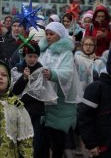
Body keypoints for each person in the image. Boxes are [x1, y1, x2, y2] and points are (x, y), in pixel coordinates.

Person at [38, 22, 79, 158]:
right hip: (44, 100)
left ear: (59, 35)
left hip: (60, 101)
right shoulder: (43, 50)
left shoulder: (66, 53)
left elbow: (67, 73)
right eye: (47, 34)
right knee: (43, 139)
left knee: (58, 139)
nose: (48, 37)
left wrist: (52, 74)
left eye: (52, 34)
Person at [11, 41, 56, 158]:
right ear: (25, 56)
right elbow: (15, 91)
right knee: (20, 137)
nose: (32, 59)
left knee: (35, 139)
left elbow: (41, 92)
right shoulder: (18, 69)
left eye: (35, 56)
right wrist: (24, 78)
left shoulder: (41, 70)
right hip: (21, 110)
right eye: (30, 56)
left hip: (36, 112)